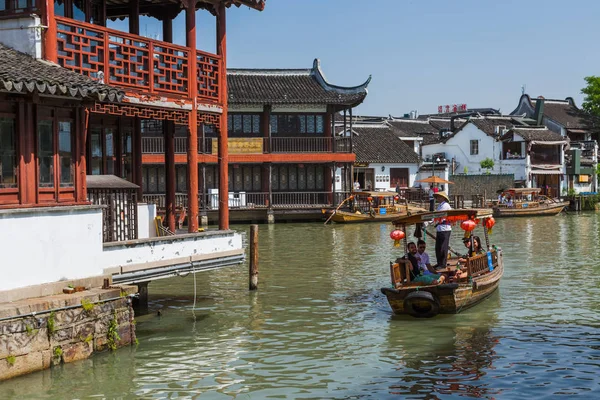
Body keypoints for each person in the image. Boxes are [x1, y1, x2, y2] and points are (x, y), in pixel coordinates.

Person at [433, 191, 452, 269]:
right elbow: (435, 216)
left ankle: (443, 264)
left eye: (439, 197)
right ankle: (439, 262)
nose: (438, 198)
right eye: (437, 197)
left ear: (443, 198)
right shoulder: (439, 206)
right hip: (440, 228)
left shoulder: (445, 205)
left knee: (443, 247)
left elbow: (439, 215)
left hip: (445, 228)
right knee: (438, 247)